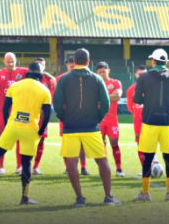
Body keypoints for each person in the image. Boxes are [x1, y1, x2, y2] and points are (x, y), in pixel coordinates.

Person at [0, 62, 53, 205]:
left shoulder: (15, 86)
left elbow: (5, 109)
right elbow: (48, 115)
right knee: (26, 163)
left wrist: (6, 125)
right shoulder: (44, 90)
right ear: (41, 76)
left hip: (12, 126)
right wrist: (41, 131)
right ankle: (25, 197)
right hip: (30, 129)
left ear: (28, 73)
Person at [53, 48, 121, 207]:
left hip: (70, 127)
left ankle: (79, 199)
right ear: (89, 62)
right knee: (102, 161)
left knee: (71, 163)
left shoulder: (63, 79)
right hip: (92, 127)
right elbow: (105, 103)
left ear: (74, 62)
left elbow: (56, 104)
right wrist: (97, 118)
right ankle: (108, 197)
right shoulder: (97, 79)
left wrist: (65, 118)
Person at [133, 48, 169, 202]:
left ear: (153, 61)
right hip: (168, 122)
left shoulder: (144, 77)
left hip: (149, 121)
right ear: (166, 62)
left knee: (148, 158)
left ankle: (145, 193)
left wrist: (149, 100)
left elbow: (137, 99)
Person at [0, 52, 28, 175]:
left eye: (13, 62)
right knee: (2, 139)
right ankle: (1, 167)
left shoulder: (24, 72)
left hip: (21, 111)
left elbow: (39, 72)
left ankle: (19, 166)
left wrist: (51, 77)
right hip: (3, 112)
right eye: (8, 62)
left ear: (16, 61)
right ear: (4, 62)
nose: (11, 64)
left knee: (21, 139)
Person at [57, 56, 88, 175]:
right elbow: (58, 98)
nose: (73, 66)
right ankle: (68, 167)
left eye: (74, 64)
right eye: (71, 65)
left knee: (81, 142)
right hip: (66, 117)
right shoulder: (61, 78)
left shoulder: (84, 77)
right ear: (67, 65)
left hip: (81, 115)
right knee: (67, 143)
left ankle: (84, 167)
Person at [96, 62, 124, 177]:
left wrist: (101, 97)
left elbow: (117, 96)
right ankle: (105, 167)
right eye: (100, 72)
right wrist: (109, 96)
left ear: (109, 71)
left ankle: (119, 169)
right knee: (100, 143)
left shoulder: (116, 82)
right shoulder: (95, 84)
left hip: (112, 118)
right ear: (97, 73)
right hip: (99, 118)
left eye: (104, 71)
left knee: (114, 142)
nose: (102, 74)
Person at [31, 57, 56, 175]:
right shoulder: (30, 78)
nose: (41, 66)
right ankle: (21, 166)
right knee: (27, 140)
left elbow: (50, 96)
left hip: (43, 115)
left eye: (43, 64)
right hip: (31, 114)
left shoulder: (48, 80)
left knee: (41, 140)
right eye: (38, 64)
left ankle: (36, 167)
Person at [126, 65, 147, 174]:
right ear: (135, 75)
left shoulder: (152, 86)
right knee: (140, 143)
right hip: (138, 121)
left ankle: (154, 162)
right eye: (140, 74)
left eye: (144, 74)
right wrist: (138, 113)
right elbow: (130, 106)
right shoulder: (131, 89)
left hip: (150, 119)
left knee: (150, 143)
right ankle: (144, 167)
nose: (142, 76)